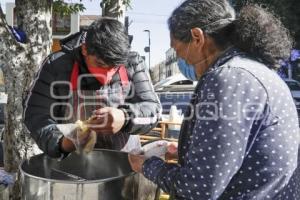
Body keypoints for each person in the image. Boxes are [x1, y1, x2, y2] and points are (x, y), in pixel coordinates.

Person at [129, 0, 299, 199]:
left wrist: (147, 165)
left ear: (197, 37)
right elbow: (241, 153)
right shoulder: (255, 71)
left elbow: (197, 190)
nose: (179, 58)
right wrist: (187, 152)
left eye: (177, 50)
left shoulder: (227, 79)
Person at [24, 17, 161, 158]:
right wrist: (63, 142)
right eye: (100, 64)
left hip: (125, 165)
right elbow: (36, 117)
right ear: (85, 49)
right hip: (72, 168)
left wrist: (125, 117)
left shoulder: (132, 63)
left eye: (114, 68)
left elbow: (154, 111)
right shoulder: (56, 65)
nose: (107, 77)